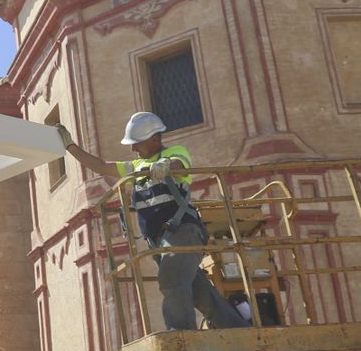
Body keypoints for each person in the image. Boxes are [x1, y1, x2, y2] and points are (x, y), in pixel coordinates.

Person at [56, 112, 249, 332]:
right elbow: (101, 166)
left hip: (182, 232)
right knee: (199, 292)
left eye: (136, 143)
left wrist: (166, 165)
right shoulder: (137, 166)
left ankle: (181, 336)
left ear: (155, 139)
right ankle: (239, 330)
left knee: (171, 278)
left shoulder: (174, 153)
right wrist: (70, 147)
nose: (132, 149)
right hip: (160, 242)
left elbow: (179, 164)